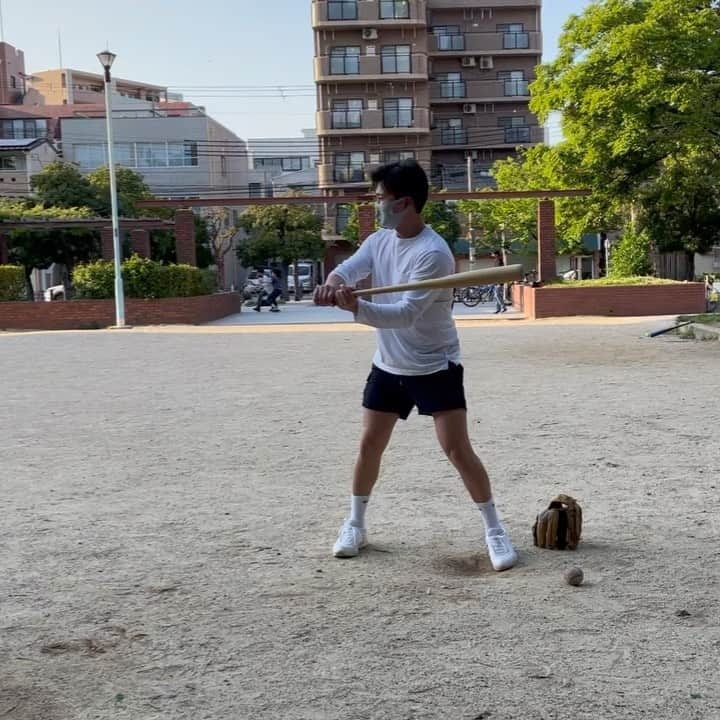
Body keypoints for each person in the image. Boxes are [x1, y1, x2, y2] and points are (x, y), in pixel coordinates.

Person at [314, 160, 517, 572]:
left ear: (404, 202)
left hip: (433, 364)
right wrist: (334, 284)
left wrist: (355, 306)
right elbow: (349, 267)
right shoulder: (380, 239)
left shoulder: (434, 254)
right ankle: (355, 524)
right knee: (369, 445)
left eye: (380, 198)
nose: (375, 204)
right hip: (388, 365)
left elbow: (404, 315)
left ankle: (495, 529)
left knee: (457, 450)